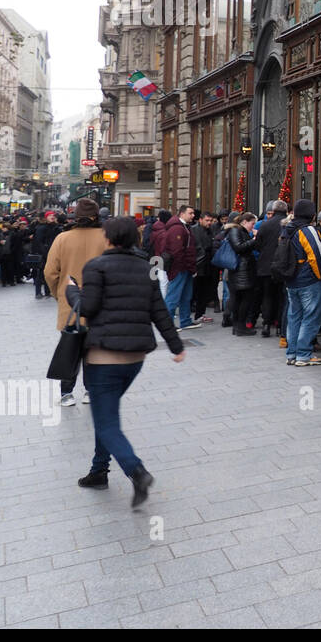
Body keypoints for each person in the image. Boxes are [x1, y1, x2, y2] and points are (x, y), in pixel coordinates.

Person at [68, 217, 185, 508]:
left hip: (103, 356)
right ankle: (98, 470)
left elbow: (88, 307)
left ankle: (137, 471)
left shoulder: (95, 267)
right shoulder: (146, 267)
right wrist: (175, 345)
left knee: (106, 421)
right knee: (105, 415)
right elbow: (158, 309)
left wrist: (72, 290)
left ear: (108, 238)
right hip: (135, 357)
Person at [43, 198, 109, 407]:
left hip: (70, 304)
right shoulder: (106, 238)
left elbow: (50, 272)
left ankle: (66, 393)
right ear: (97, 216)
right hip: (99, 304)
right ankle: (91, 390)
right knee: (94, 350)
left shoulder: (62, 238)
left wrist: (59, 294)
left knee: (69, 349)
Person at [275, 199, 321, 366]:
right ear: (311, 214)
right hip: (308, 280)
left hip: (291, 281)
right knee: (310, 317)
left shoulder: (287, 229)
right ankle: (304, 355)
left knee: (294, 317)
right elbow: (316, 256)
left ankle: (292, 353)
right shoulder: (307, 230)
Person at [254, 200, 288, 338]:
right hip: (282, 266)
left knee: (267, 296)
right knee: (281, 297)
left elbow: (257, 244)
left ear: (273, 211)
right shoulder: (287, 225)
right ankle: (280, 326)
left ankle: (266, 325)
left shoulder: (265, 224)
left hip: (265, 265)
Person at [161, 205, 198, 330]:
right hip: (180, 268)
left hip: (185, 267)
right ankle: (168, 324)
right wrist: (186, 266)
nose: (193, 215)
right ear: (182, 214)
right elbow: (177, 251)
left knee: (185, 296)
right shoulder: (177, 228)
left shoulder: (183, 227)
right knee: (173, 297)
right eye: (190, 213)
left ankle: (185, 321)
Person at [226, 212, 260, 336]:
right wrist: (254, 240)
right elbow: (239, 247)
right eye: (252, 223)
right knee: (243, 299)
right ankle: (240, 326)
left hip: (242, 271)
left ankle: (238, 326)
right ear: (244, 222)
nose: (253, 226)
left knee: (241, 299)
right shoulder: (236, 231)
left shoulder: (240, 231)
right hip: (241, 272)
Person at [191, 210, 218, 323]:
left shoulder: (210, 230)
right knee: (195, 291)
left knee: (205, 291)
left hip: (208, 265)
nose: (209, 223)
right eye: (207, 220)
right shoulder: (194, 230)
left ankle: (200, 313)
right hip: (199, 265)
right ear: (200, 220)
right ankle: (192, 314)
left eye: (211, 221)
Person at [29, 211, 61, 299]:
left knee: (49, 273)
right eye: (50, 215)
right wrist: (45, 252)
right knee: (40, 273)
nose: (52, 217)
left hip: (54, 253)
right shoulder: (41, 228)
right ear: (46, 217)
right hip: (43, 254)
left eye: (53, 215)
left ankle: (48, 291)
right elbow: (38, 242)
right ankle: (38, 292)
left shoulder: (56, 227)